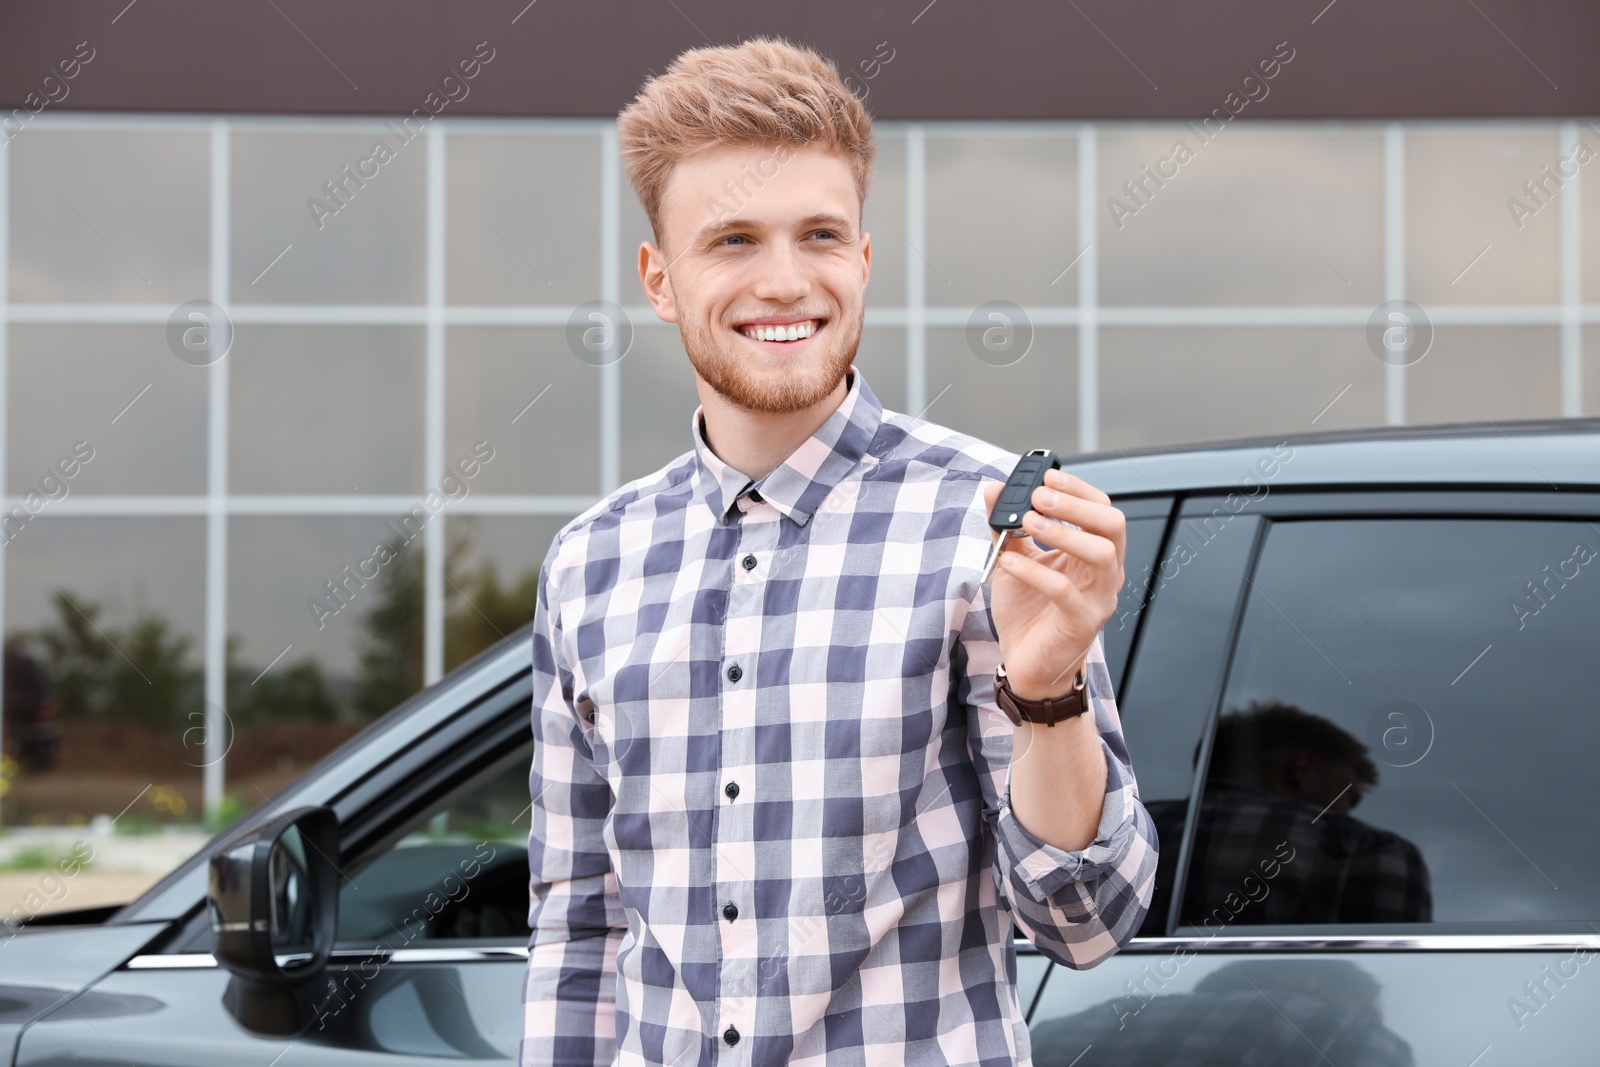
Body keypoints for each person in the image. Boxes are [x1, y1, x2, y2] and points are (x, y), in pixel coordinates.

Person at [521, 37, 1157, 1067]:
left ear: (861, 259)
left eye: (818, 234)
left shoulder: (988, 521)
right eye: (731, 241)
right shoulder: (589, 563)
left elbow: (1085, 918)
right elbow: (576, 924)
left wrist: (1047, 691)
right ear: (659, 279)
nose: (784, 281)